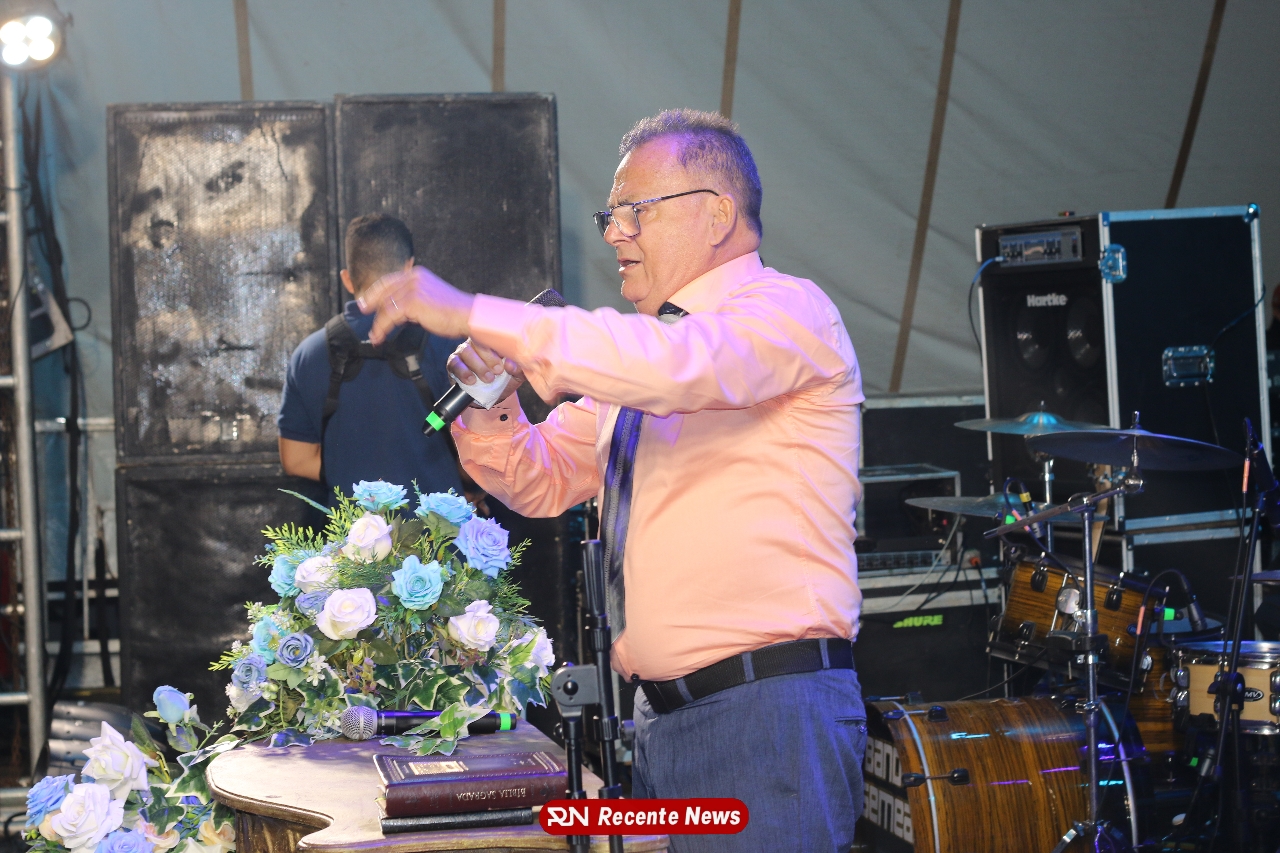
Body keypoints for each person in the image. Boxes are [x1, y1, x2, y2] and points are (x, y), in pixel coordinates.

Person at [359, 110, 865, 851]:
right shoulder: (648, 362)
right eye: (610, 215)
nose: (614, 233)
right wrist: (496, 403)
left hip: (766, 713)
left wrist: (473, 312)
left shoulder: (788, 312)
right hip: (662, 721)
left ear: (717, 214)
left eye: (636, 211)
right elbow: (540, 478)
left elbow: (679, 366)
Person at [277, 213, 463, 501]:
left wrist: (364, 483)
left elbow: (296, 460)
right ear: (409, 269)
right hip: (439, 527)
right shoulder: (449, 342)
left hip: (352, 530)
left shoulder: (307, 355)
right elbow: (488, 445)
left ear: (347, 279)